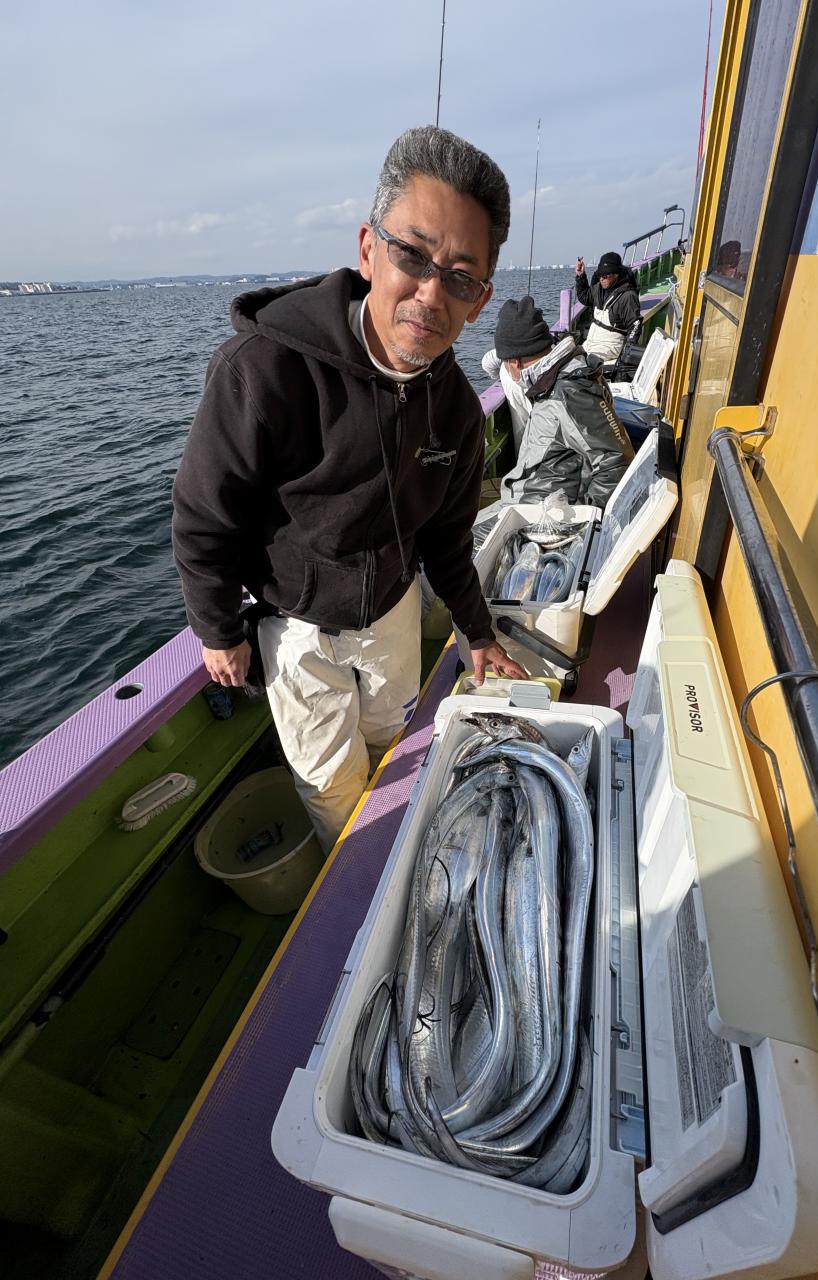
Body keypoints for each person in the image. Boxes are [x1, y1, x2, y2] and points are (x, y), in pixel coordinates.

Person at [172, 125, 525, 851]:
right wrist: (218, 629)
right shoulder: (261, 370)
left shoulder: (458, 411)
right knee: (332, 785)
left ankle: (403, 855)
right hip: (297, 626)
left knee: (396, 740)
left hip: (393, 606)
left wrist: (477, 631)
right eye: (413, 256)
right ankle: (360, 880)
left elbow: (446, 538)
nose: (430, 294)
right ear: (369, 249)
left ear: (480, 300)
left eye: (460, 277)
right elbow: (205, 515)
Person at [492, 296, 634, 510]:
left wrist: (582, 517)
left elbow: (617, 460)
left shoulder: (568, 392)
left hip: (542, 510)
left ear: (515, 361)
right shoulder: (556, 378)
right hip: (531, 495)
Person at [574, 250, 641, 363]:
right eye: (600, 275)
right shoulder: (598, 289)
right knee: (566, 357)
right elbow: (585, 297)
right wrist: (581, 276)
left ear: (616, 274)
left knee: (582, 363)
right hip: (590, 344)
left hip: (610, 347)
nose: (601, 278)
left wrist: (626, 354)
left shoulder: (628, 296)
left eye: (605, 275)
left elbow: (635, 325)